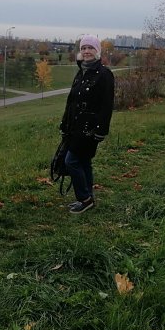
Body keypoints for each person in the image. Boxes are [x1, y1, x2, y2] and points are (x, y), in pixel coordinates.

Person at [60, 35, 115, 214]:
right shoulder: (81, 72)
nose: (86, 51)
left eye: (90, 48)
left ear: (97, 51)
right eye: (83, 48)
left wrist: (101, 130)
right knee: (83, 161)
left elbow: (107, 105)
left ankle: (84, 198)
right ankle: (88, 197)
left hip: (89, 129)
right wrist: (64, 124)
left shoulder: (104, 74)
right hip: (74, 127)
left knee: (71, 161)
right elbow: (71, 101)